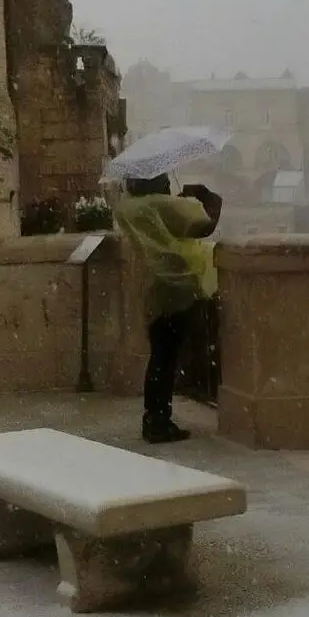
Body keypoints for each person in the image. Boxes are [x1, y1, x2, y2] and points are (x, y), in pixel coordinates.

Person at [114, 175, 221, 443]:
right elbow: (204, 227)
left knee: (160, 355)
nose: (166, 184)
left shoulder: (129, 207)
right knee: (167, 356)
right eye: (162, 179)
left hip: (153, 286)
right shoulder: (158, 206)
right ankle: (159, 421)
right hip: (175, 285)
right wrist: (209, 197)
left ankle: (154, 417)